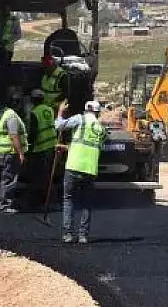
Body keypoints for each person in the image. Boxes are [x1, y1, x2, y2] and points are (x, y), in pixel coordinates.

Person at [54, 100, 108, 243]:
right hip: (90, 169)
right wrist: (66, 147)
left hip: (73, 166)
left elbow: (59, 125)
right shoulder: (102, 130)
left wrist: (60, 112)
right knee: (86, 203)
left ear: (85, 110)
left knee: (68, 199)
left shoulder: (80, 119)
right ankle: (83, 236)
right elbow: (88, 145)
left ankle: (67, 234)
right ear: (97, 113)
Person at [0, 91, 28, 213]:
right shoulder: (12, 116)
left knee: (6, 178)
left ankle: (7, 202)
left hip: (3, 152)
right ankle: (6, 205)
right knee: (9, 179)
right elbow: (14, 136)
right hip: (9, 152)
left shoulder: (4, 113)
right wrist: (20, 153)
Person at [25, 89, 58, 211]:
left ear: (33, 100)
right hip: (52, 145)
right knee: (48, 174)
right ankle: (48, 200)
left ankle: (45, 202)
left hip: (41, 147)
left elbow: (33, 132)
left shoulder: (35, 112)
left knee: (40, 176)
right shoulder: (49, 109)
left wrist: (29, 149)